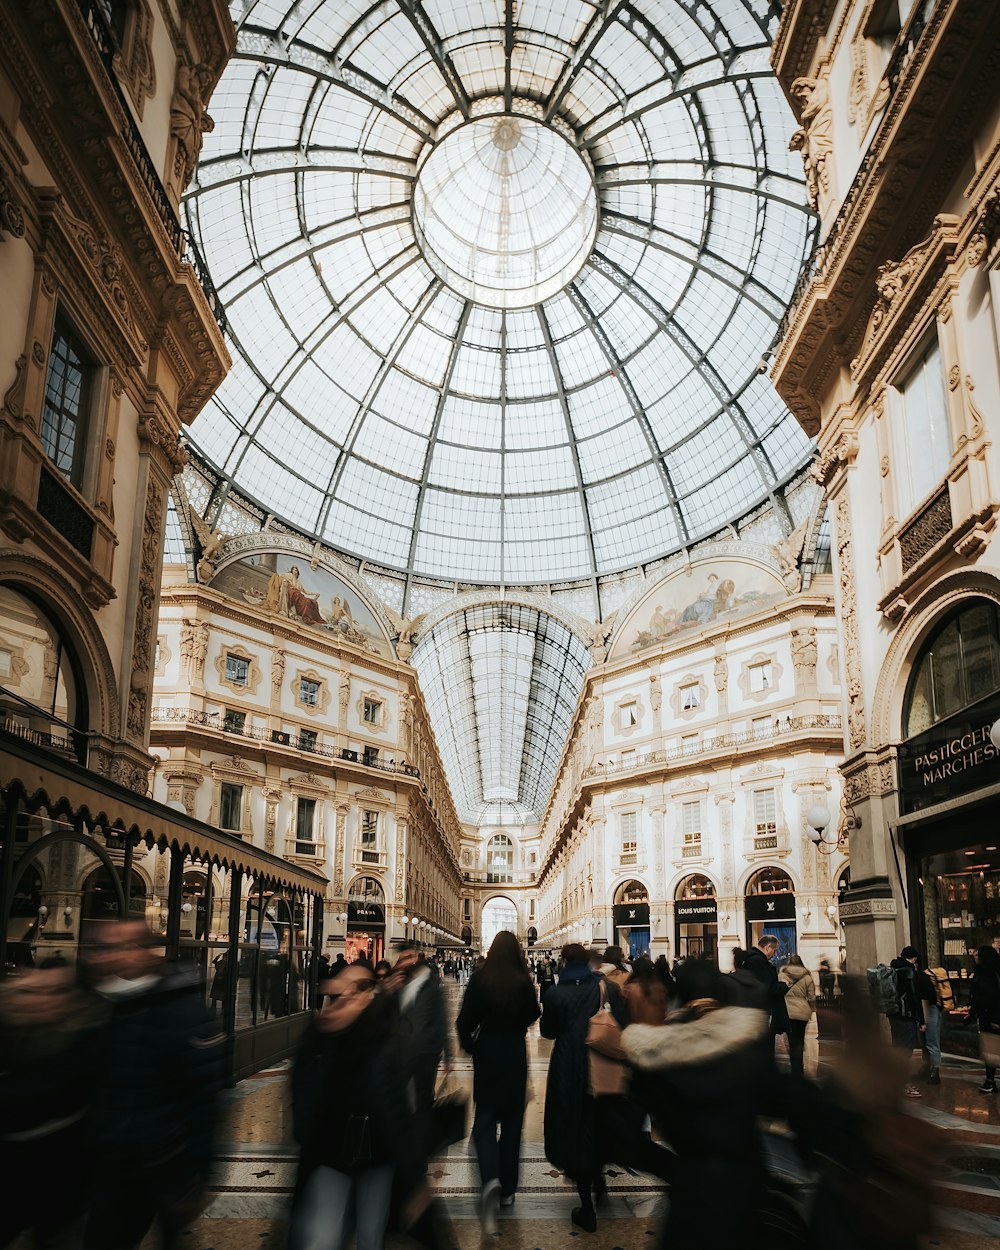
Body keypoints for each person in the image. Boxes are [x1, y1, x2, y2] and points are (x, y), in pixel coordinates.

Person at [81, 921, 225, 1250]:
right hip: (110, 1160)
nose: (106, 957)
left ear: (142, 951)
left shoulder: (184, 1011)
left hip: (165, 1163)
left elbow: (205, 1102)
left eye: (117, 948)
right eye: (101, 948)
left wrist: (197, 1175)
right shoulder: (102, 1004)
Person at [623, 958, 773, 1250]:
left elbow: (626, 1136)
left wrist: (678, 1171)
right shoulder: (749, 1038)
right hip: (747, 1181)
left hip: (694, 1189)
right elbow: (786, 1100)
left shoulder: (662, 1053)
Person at [289, 961, 424, 1250]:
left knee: (370, 1234)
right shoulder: (319, 1036)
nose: (349, 996)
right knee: (321, 1238)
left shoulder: (385, 1040)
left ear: (370, 995)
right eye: (341, 990)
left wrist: (414, 1177)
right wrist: (308, 1135)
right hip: (330, 1154)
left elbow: (398, 1112)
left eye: (359, 988)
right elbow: (300, 1090)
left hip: (377, 1155)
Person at [0, 960, 105, 1249]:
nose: (44, 1000)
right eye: (35, 991)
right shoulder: (10, 1031)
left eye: (57, 991)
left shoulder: (88, 1039)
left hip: (66, 1181)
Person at [456, 931, 540, 1232]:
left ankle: (490, 1177)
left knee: (485, 1121)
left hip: (488, 1054)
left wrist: (472, 1045)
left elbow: (463, 1021)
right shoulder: (522, 980)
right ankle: (507, 1191)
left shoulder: (480, 979)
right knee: (513, 1123)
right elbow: (535, 1013)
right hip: (515, 1055)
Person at [540, 942, 625, 1233]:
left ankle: (586, 1207)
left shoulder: (554, 993)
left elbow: (547, 1031)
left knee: (573, 1124)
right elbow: (621, 1023)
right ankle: (599, 1178)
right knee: (598, 1118)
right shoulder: (606, 988)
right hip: (600, 1063)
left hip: (568, 1065)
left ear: (563, 961)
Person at [888, 945, 925, 1099]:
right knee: (905, 1051)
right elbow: (914, 997)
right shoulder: (909, 971)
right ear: (914, 958)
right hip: (906, 1016)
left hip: (894, 1015)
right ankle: (903, 1084)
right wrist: (921, 1020)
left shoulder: (893, 969)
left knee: (897, 1049)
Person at [741, 935, 790, 1037]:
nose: (775, 954)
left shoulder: (751, 960)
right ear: (768, 947)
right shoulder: (759, 963)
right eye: (775, 950)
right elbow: (767, 988)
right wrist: (784, 985)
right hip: (762, 1013)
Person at [779, 955, 816, 1079]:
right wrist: (811, 1008)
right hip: (802, 1012)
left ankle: (794, 1067)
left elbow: (778, 992)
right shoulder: (807, 977)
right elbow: (811, 997)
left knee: (790, 1040)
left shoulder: (782, 975)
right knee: (800, 1040)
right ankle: (799, 1068)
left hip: (787, 1011)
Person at [970, 944, 1000, 1094]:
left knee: (993, 1050)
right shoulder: (981, 973)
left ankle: (990, 1081)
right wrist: (973, 1011)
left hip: (993, 1018)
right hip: (985, 1017)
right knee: (990, 1050)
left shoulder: (994, 975)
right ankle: (990, 1080)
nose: (975, 957)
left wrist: (997, 1019)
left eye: (978, 955)